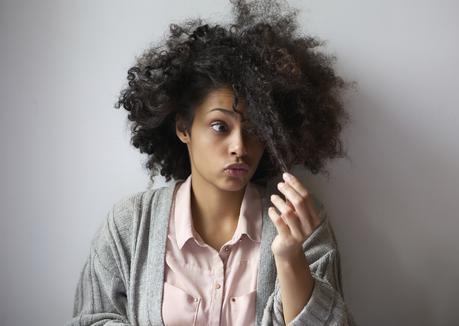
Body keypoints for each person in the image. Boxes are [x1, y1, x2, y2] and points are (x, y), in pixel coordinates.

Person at [67, 0, 357, 325]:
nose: (239, 146)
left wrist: (290, 257)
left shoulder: (301, 222)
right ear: (183, 128)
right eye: (220, 126)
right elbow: (90, 319)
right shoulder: (129, 226)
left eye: (255, 130)